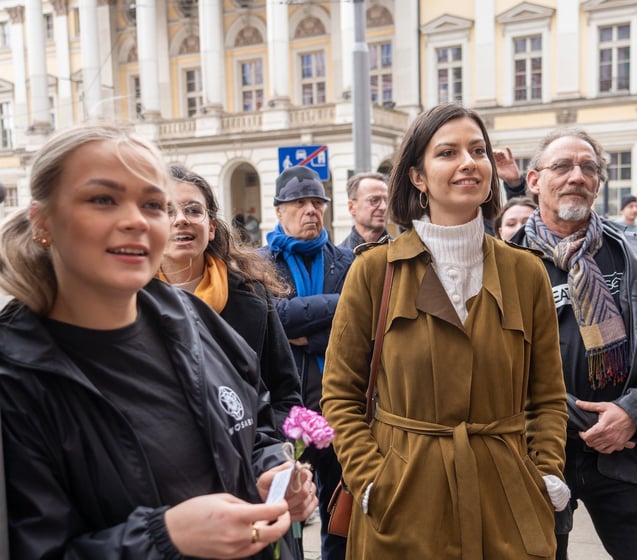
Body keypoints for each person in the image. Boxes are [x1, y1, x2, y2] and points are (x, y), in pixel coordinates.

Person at [0, 123, 317, 558]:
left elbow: (256, 423)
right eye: (103, 199)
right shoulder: (15, 374)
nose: (135, 220)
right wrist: (164, 537)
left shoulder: (193, 318)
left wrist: (268, 476)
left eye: (152, 204)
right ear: (43, 222)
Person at [320, 103, 570, 558]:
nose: (468, 163)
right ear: (418, 176)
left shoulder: (527, 272)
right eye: (447, 152)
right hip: (404, 502)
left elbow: (548, 395)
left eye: (478, 150)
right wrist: (373, 481)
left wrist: (546, 472)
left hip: (507, 500)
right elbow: (340, 393)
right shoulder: (375, 271)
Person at [508, 127, 637, 560]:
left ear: (599, 182)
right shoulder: (506, 262)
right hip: (538, 453)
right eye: (562, 166)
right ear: (534, 181)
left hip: (626, 449)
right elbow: (500, 363)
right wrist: (581, 421)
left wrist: (633, 413)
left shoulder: (636, 255)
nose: (577, 176)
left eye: (589, 168)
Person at [158, 165, 302, 429]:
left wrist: (269, 454)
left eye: (193, 210)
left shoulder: (251, 295)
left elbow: (285, 394)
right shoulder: (128, 302)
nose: (181, 219)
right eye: (167, 211)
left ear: (211, 227)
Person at [259, 165, 353, 560]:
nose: (311, 210)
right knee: (286, 516)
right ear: (279, 210)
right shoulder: (258, 264)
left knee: (338, 515)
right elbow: (273, 321)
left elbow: (360, 327)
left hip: (342, 409)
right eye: (299, 203)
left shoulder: (348, 263)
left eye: (317, 202)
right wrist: (336, 309)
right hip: (284, 414)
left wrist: (308, 332)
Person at [338, 172, 390, 251]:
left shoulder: (402, 253)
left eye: (386, 200)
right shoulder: (338, 260)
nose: (383, 207)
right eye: (374, 200)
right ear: (351, 207)